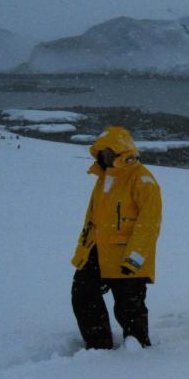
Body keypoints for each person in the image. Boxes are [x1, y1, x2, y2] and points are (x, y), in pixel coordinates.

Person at [70, 127, 162, 349]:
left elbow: (148, 224)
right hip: (97, 250)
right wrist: (84, 248)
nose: (105, 156)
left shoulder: (142, 179)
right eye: (102, 153)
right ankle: (98, 343)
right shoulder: (103, 178)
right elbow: (92, 218)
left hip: (126, 257)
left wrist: (135, 258)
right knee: (82, 294)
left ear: (123, 151)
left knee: (129, 307)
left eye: (110, 152)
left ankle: (138, 350)